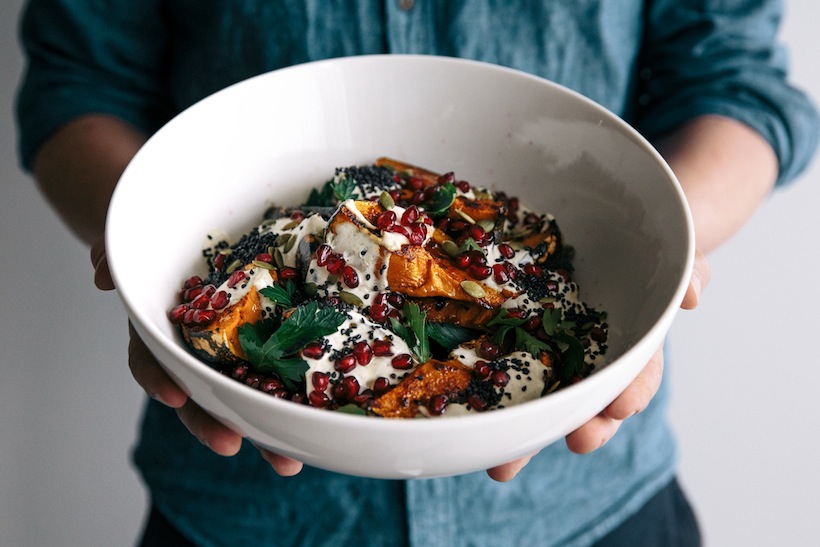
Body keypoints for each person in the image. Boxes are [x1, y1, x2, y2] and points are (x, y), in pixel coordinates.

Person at [16, 1, 818, 545]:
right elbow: (78, 84)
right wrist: (140, 236)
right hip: (243, 504)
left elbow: (733, 83)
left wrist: (663, 247)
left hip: (588, 506)